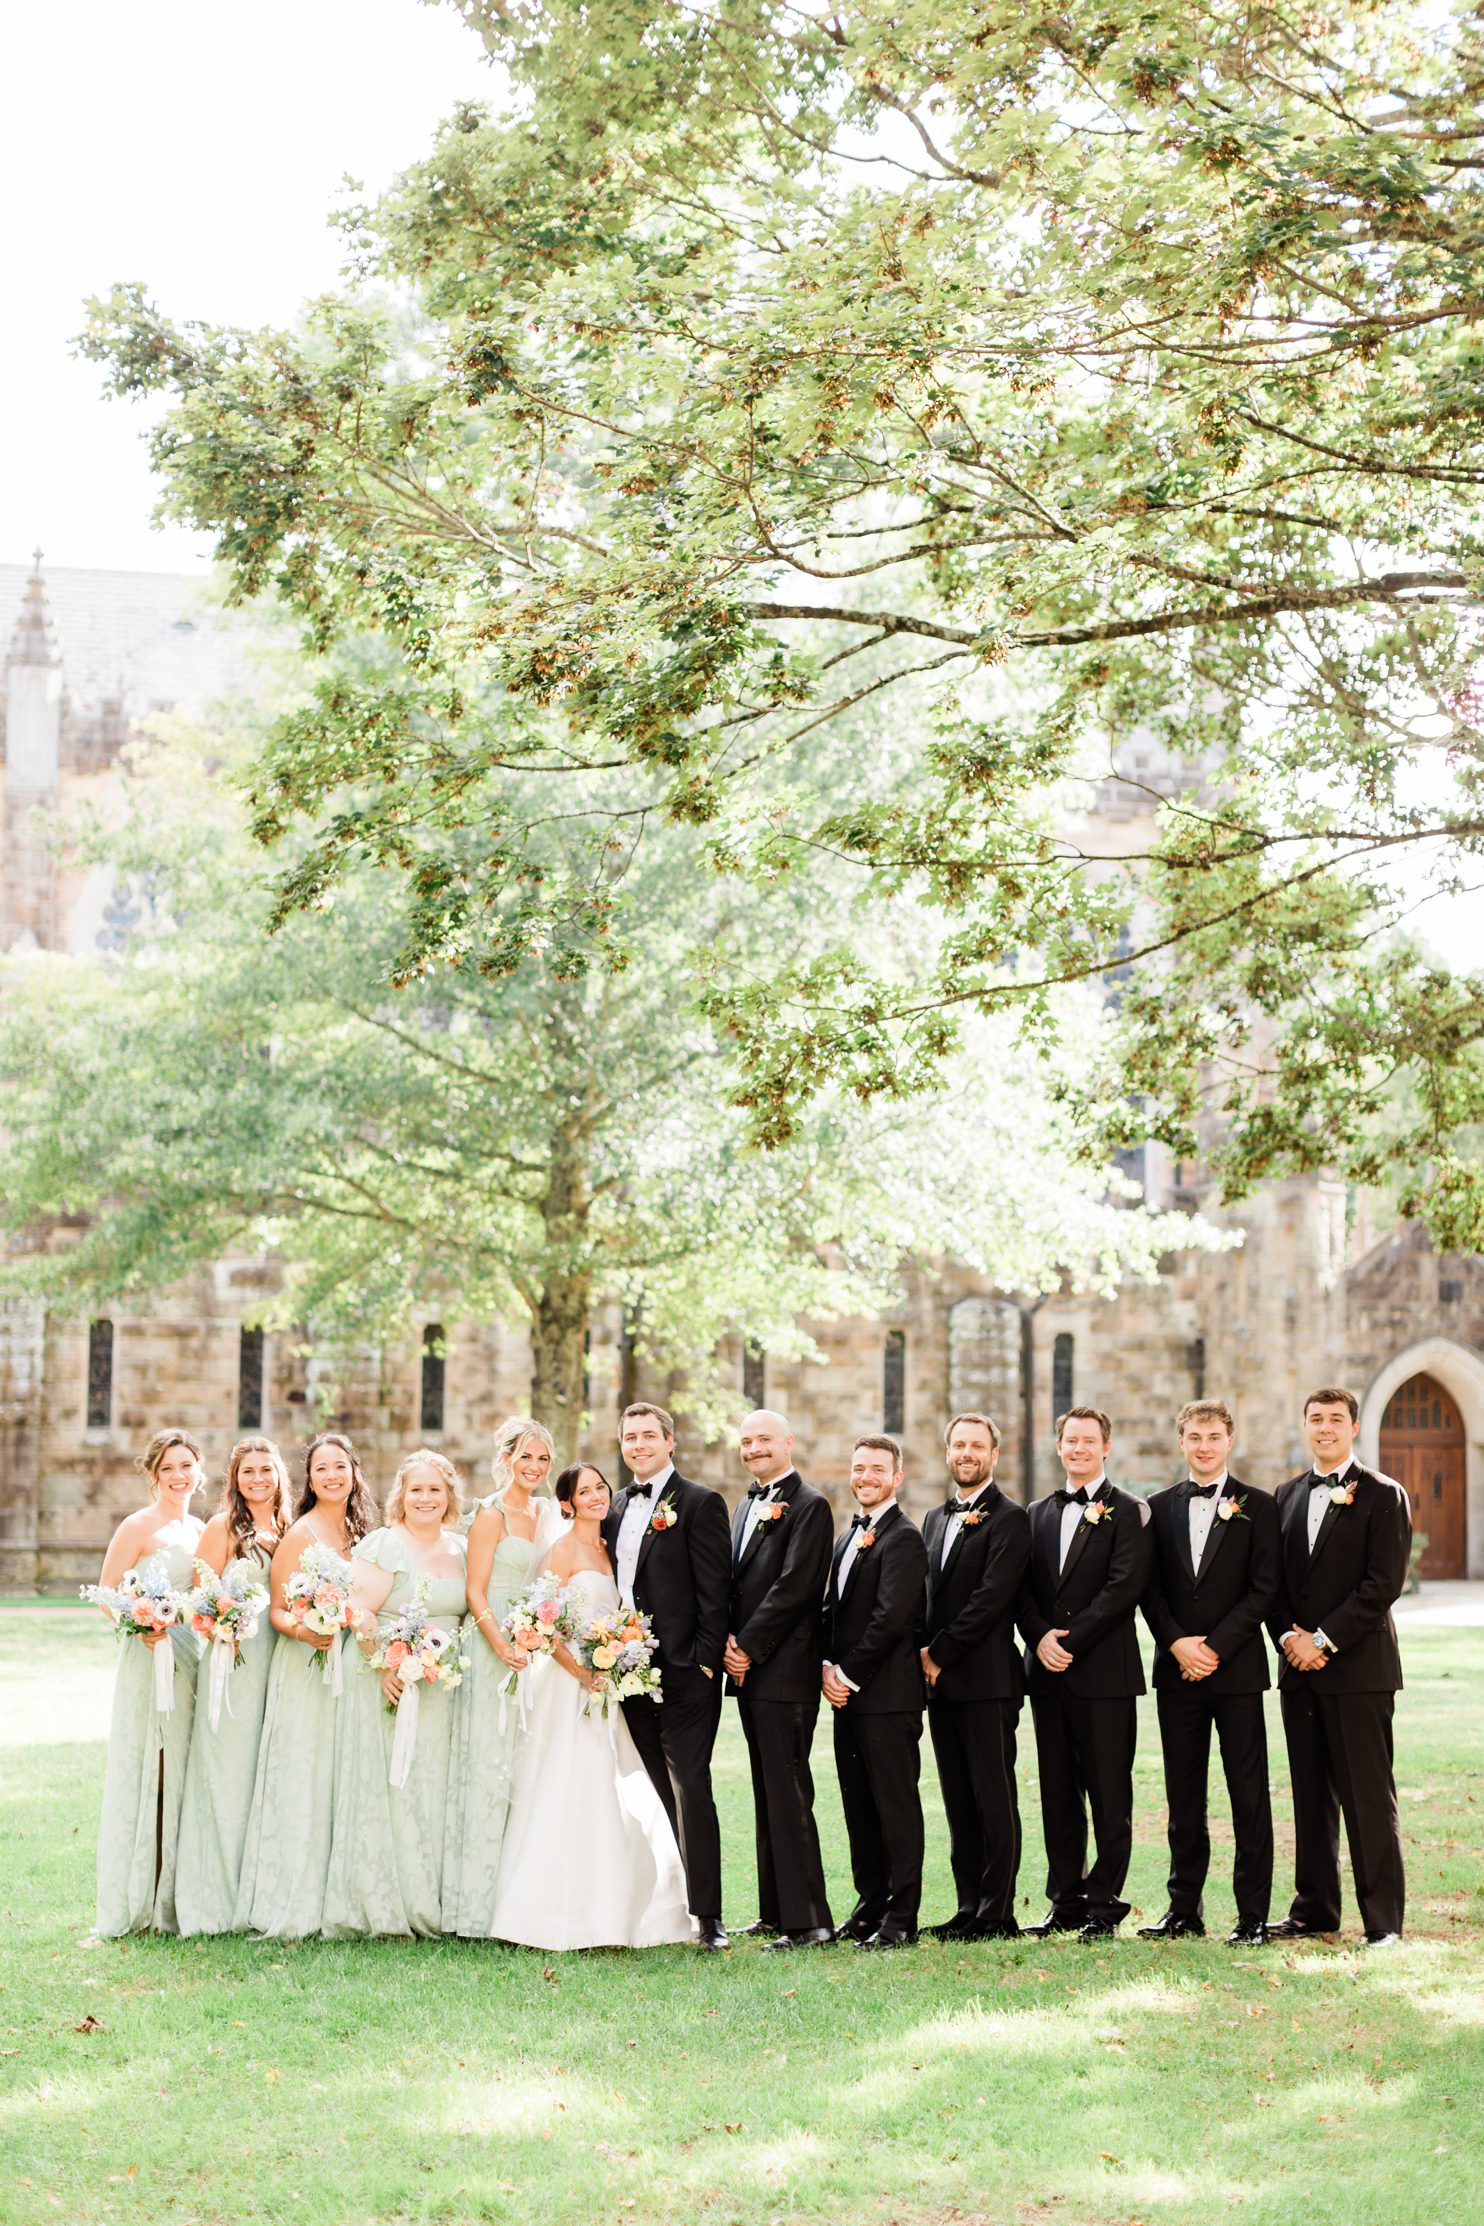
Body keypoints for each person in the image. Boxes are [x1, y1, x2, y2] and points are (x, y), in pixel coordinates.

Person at [489, 1462, 693, 1951]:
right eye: (585, 1491)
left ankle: (617, 1910)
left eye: (601, 1487)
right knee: (566, 1784)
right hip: (569, 1685)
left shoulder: (611, 1549)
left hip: (607, 1685)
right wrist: (581, 1671)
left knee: (612, 1788)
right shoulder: (559, 1551)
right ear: (567, 1503)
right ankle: (542, 1913)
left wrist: (618, 1659)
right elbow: (542, 1623)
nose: (598, 1496)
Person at [1267, 1387, 1411, 1947]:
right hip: (1298, 1672)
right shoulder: (1285, 1495)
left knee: (1368, 1796)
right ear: (1305, 1426)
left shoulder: (1383, 1494)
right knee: (1309, 1796)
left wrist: (1323, 1640)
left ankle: (1382, 1922)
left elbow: (1383, 1585)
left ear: (1353, 1426)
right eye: (1315, 1419)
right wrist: (1287, 1637)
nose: (1324, 1428)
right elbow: (1271, 1585)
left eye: (1334, 1419)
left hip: (1359, 1670)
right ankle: (1315, 1910)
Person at [1139, 1400, 1280, 1947]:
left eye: (1214, 1436)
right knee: (1184, 1796)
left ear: (1229, 1440)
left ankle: (1252, 1917)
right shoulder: (1157, 1507)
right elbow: (1147, 1589)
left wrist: (1215, 1647)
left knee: (1248, 1794)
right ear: (1181, 1441)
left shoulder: (1259, 1507)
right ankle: (1184, 1910)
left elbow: (1264, 1590)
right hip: (1177, 1674)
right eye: (1194, 1436)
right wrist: (1177, 1643)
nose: (1204, 1445)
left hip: (1237, 1671)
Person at [235, 1432, 379, 1938]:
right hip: (306, 1666)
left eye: (341, 1466)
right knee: (305, 1773)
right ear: (310, 1479)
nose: (332, 1476)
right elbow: (276, 1610)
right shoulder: (301, 1533)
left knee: (340, 1775)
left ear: (354, 1473)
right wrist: (308, 1630)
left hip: (350, 1670)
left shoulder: (365, 1534)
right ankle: (293, 1897)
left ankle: (339, 1892)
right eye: (321, 1469)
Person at [1017, 1406, 1152, 1941]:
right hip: (1047, 1677)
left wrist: (1066, 1641)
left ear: (1105, 1448)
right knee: (1057, 1792)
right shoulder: (1035, 1513)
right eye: (1070, 1440)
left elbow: (1123, 1589)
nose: (1078, 1448)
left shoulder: (1131, 1512)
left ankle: (1105, 1905)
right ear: (1059, 1446)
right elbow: (1020, 1588)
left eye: (1088, 1441)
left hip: (1104, 1675)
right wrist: (1039, 1637)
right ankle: (1065, 1901)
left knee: (1109, 1794)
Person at [323, 1449, 469, 1938]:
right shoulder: (384, 1544)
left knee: (434, 1787)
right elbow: (359, 1611)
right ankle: (385, 1901)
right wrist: (385, 1663)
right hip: (386, 1677)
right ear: (400, 1496)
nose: (425, 1498)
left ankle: (435, 1898)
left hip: (444, 1684)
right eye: (416, 1489)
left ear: (449, 1495)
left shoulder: (462, 1548)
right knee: (391, 1788)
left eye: (434, 1489)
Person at [604, 1402, 732, 1949]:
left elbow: (716, 1590)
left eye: (648, 1436)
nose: (638, 1445)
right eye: (630, 1437)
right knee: (654, 1792)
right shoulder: (610, 1506)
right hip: (627, 1673)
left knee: (690, 1787)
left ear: (670, 1441)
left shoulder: (700, 1503)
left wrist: (703, 1662)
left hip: (685, 1673)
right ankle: (668, 1906)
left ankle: (709, 1916)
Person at [443, 1417, 563, 1937]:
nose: (534, 1467)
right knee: (487, 1764)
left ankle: (519, 1899)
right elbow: (474, 1590)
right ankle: (473, 1905)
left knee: (526, 1766)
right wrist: (501, 1645)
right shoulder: (490, 1515)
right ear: (507, 1459)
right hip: (494, 1643)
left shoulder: (550, 1511)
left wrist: (541, 1637)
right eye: (526, 1457)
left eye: (543, 1459)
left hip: (539, 1646)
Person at [723, 1408, 835, 1951]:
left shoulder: (811, 1506)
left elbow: (795, 1588)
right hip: (751, 1676)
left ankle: (810, 1920)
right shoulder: (746, 1503)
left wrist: (745, 1646)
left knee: (789, 1792)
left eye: (764, 1439)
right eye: (746, 1441)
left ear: (788, 1441)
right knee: (767, 1790)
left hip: (784, 1672)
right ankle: (774, 1911)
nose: (754, 1448)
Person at [920, 1412, 1031, 1941]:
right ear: (947, 1452)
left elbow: (992, 1598)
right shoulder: (934, 1519)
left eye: (977, 1446)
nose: (967, 1453)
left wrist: (939, 1652)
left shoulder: (1009, 1518)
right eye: (959, 1444)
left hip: (987, 1681)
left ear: (994, 1454)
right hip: (940, 1686)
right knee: (958, 1799)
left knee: (993, 1796)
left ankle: (996, 1911)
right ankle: (967, 1906)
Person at [91, 1429, 207, 1936]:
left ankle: (176, 1896)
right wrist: (138, 1624)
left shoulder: (202, 1529)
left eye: (186, 1466)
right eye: (168, 1469)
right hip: (148, 1656)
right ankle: (140, 1896)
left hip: (190, 1658)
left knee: (181, 1765)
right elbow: (104, 1592)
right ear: (153, 1475)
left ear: (199, 1470)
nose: (178, 1476)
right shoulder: (138, 1526)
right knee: (150, 1765)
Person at [176, 1436, 289, 1936]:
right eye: (248, 1472)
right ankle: (215, 1900)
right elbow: (199, 1600)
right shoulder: (224, 1528)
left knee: (270, 1774)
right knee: (228, 1772)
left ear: (280, 1475)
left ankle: (262, 1890)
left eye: (266, 1469)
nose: (258, 1478)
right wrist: (225, 1619)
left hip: (283, 1660)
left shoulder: (292, 1530)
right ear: (235, 1480)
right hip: (235, 1662)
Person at [823, 1435, 928, 1949]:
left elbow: (892, 1618)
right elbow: (833, 1611)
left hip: (888, 1697)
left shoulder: (903, 1538)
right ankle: (870, 1907)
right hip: (850, 1698)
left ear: (896, 1477)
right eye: (859, 1467)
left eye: (877, 1470)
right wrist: (825, 1664)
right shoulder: (849, 1536)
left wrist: (845, 1674)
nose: (866, 1477)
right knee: (859, 1807)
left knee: (896, 1808)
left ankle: (902, 1918)